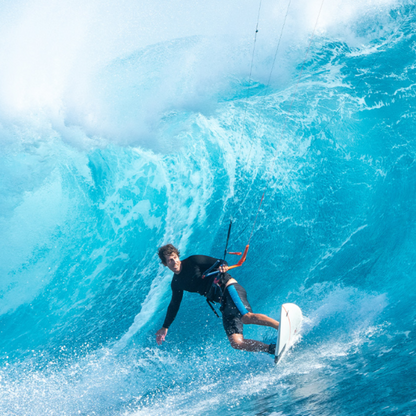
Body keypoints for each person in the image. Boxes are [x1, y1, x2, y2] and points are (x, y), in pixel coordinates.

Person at [155, 244, 279, 355]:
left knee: (247, 317)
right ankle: (271, 349)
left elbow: (220, 262)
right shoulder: (176, 283)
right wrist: (165, 327)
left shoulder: (193, 261)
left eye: (175, 258)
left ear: (178, 256)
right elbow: (174, 304)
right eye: (170, 260)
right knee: (236, 342)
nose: (174, 262)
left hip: (229, 287)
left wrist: (223, 266)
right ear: (165, 264)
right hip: (223, 302)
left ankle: (280, 326)